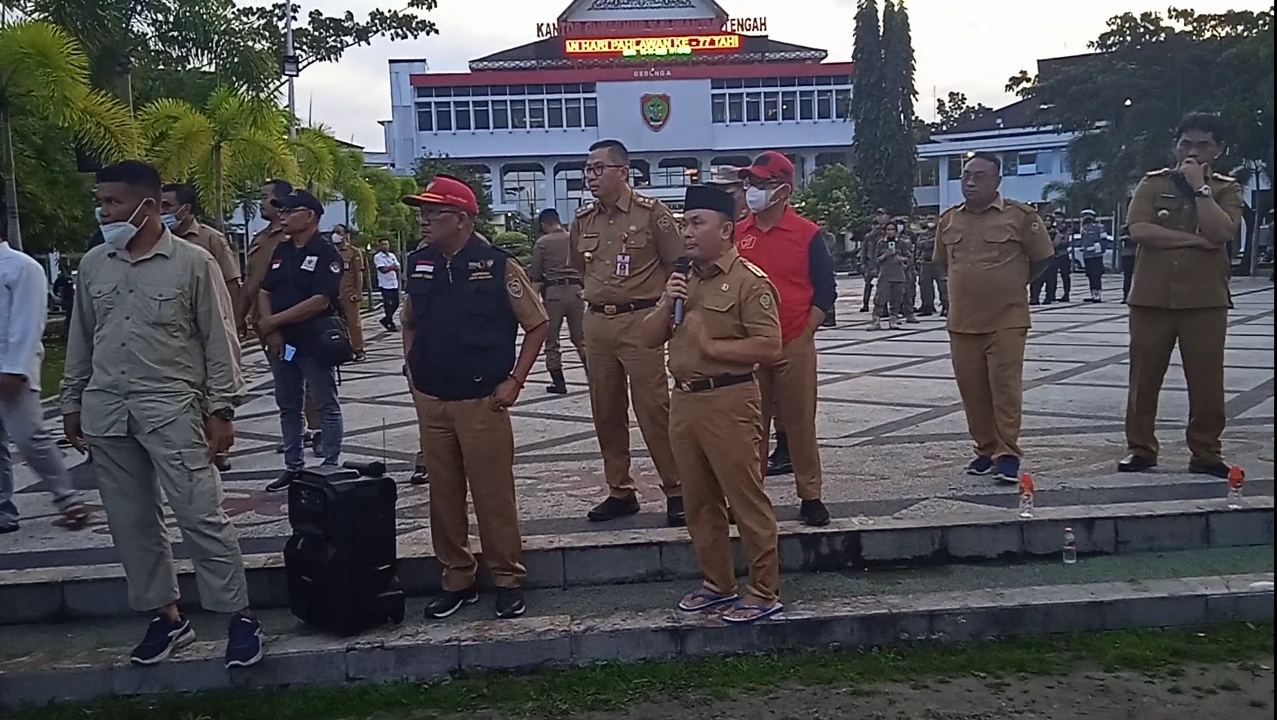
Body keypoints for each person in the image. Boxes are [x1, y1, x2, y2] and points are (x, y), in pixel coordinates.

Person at [60, 160, 262, 668]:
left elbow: (221, 340)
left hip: (173, 409)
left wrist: (223, 409)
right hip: (108, 412)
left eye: (114, 202)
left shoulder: (193, 263)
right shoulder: (94, 265)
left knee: (201, 516)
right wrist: (71, 400)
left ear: (147, 206)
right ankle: (166, 618)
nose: (104, 212)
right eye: (101, 202)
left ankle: (238, 616)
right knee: (131, 524)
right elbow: (82, 337)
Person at [401, 175, 548, 619]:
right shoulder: (419, 262)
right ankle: (457, 578)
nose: (425, 221)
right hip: (434, 401)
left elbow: (537, 324)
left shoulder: (497, 265)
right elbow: (411, 320)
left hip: (483, 400)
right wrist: (413, 371)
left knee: (492, 495)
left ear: (462, 220)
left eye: (434, 213)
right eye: (422, 213)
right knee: (443, 497)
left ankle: (506, 577)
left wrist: (516, 381)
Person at [639, 184, 784, 623]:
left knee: (746, 500)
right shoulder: (683, 280)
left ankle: (763, 591)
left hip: (730, 400)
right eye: (684, 223)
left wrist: (713, 346)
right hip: (685, 403)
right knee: (699, 501)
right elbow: (647, 338)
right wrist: (667, 302)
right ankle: (718, 584)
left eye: (697, 223)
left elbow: (770, 346)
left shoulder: (748, 282)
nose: (687, 232)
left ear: (725, 230)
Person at [1119, 113, 1243, 479]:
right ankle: (1140, 448)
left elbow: (1220, 232)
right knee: (1143, 379)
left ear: (1218, 150)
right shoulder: (1153, 184)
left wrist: (1200, 188)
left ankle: (1205, 451)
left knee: (1206, 381)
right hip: (1151, 297)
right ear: (1175, 145)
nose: (1193, 152)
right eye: (1186, 143)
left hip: (1205, 299)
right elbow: (1139, 229)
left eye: (1203, 145)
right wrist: (1193, 241)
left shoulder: (1225, 189)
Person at [570, 139, 684, 525]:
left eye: (599, 169)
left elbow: (678, 265)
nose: (591, 176)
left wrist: (670, 316)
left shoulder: (652, 214)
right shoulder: (583, 220)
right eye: (588, 169)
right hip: (597, 322)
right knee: (605, 409)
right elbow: (580, 269)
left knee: (653, 407)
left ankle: (677, 488)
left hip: (641, 320)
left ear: (623, 172)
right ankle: (619, 489)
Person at [934, 152, 1054, 483]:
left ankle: (1007, 453)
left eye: (980, 176)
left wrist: (1013, 284)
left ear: (998, 181)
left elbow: (1042, 258)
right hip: (962, 320)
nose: (970, 182)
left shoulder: (1019, 216)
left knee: (1004, 387)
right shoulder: (948, 220)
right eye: (966, 176)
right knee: (972, 389)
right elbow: (943, 263)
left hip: (1007, 318)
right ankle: (985, 449)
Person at [735, 151, 836, 527]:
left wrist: (806, 332)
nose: (752, 191)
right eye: (750, 183)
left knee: (799, 423)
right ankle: (750, 497)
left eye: (761, 184)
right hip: (750, 345)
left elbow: (825, 290)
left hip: (794, 339)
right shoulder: (738, 234)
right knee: (750, 425)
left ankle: (810, 495)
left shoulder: (807, 234)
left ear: (782, 190)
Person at [0, 195, 90, 534]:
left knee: (29, 437)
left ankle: (67, 498)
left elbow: (27, 323)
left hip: (12, 367)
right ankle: (3, 508)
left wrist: (15, 368)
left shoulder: (21, 268)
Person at [258, 189, 345, 492]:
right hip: (284, 343)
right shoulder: (282, 251)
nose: (281, 215)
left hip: (314, 341)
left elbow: (321, 300)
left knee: (325, 403)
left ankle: (330, 464)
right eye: (280, 210)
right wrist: (273, 330)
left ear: (309, 216)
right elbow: (265, 290)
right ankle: (293, 466)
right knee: (288, 404)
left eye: (289, 211)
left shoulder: (325, 253)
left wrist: (273, 322)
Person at [161, 182, 243, 471]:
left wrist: (231, 324)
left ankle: (217, 448)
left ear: (186, 208)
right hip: (175, 337)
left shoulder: (210, 241)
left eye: (168, 207)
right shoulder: (156, 243)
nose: (162, 213)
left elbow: (232, 284)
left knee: (212, 394)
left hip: (209, 329)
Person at [243, 179, 322, 455]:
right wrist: (245, 318)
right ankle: (294, 434)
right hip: (269, 326)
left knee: (310, 381)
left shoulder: (295, 241)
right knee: (286, 381)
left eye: (267, 197)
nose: (263, 203)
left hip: (298, 327)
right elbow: (255, 285)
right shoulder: (262, 239)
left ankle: (318, 429)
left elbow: (319, 294)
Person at [528, 208, 585, 395]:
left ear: (544, 225)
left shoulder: (542, 243)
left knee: (552, 340)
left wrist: (532, 301)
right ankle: (595, 377)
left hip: (553, 295)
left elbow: (536, 275)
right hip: (577, 292)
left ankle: (558, 382)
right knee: (581, 339)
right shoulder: (573, 238)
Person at [332, 225, 367, 361]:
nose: (335, 235)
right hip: (333, 294)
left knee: (353, 323)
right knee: (335, 324)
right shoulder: (330, 251)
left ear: (345, 235)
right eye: (334, 232)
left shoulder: (353, 252)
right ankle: (342, 351)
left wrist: (358, 292)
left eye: (338, 232)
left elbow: (359, 274)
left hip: (349, 293)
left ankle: (359, 350)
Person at [868, 222, 910, 331]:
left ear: (896, 231)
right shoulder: (881, 243)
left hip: (898, 274)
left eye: (892, 229)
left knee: (896, 298)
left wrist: (901, 258)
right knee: (880, 298)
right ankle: (876, 320)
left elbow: (908, 257)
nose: (890, 231)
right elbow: (876, 259)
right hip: (885, 274)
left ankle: (893, 319)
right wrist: (885, 255)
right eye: (888, 229)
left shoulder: (902, 243)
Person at [1074, 209, 1112, 302]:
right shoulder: (1083, 229)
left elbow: (1104, 240)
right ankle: (1092, 294)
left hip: (1096, 256)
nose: (1086, 218)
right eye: (1084, 216)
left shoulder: (1099, 227)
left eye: (1088, 216)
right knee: (1090, 275)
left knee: (1096, 275)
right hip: (1087, 256)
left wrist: (1096, 248)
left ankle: (1097, 295)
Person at [915, 215, 947, 317]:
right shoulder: (923, 234)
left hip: (939, 263)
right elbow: (919, 245)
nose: (930, 221)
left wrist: (929, 243)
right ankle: (927, 306)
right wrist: (932, 242)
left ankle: (946, 307)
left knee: (943, 286)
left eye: (932, 219)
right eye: (928, 219)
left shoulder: (942, 233)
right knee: (925, 286)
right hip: (925, 262)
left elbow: (941, 244)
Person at [373, 239, 401, 332]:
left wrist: (391, 267)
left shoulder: (392, 255)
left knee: (396, 303)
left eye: (386, 244)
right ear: (380, 246)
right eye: (383, 244)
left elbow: (398, 267)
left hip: (394, 283)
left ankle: (386, 320)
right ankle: (390, 323)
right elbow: (382, 269)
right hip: (384, 284)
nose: (385, 246)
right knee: (388, 304)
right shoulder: (378, 257)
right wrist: (392, 267)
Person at [1029, 213, 1056, 305]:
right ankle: (1034, 298)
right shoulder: (1038, 231)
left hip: (1051, 258)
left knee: (1050, 279)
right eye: (1045, 220)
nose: (1047, 222)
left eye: (1049, 221)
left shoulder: (1055, 232)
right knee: (1036, 279)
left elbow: (1056, 243)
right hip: (1037, 257)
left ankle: (1049, 297)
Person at [1118, 224, 1137, 301]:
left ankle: (1132, 295)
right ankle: (1126, 295)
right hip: (1127, 254)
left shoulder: (1137, 227)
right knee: (1127, 276)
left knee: (1136, 276)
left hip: (1135, 254)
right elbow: (1120, 238)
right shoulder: (1124, 229)